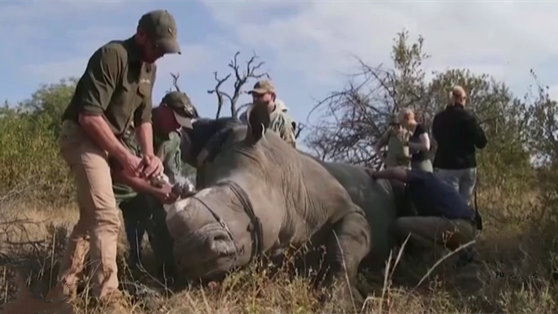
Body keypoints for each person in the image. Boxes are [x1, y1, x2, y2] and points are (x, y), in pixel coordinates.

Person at [51, 9, 182, 310]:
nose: (161, 54)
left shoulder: (149, 68)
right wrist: (125, 155)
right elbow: (88, 116)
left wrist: (149, 155)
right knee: (107, 216)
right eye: (157, 47)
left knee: (89, 220)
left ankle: (62, 292)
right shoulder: (112, 56)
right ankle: (108, 298)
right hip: (82, 137)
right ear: (141, 36)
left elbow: (144, 118)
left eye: (166, 50)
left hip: (106, 143)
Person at [117, 91, 198, 281]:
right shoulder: (133, 125)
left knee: (164, 223)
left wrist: (179, 188)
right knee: (127, 225)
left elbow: (171, 173)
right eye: (176, 119)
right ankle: (131, 271)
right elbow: (119, 172)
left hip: (149, 194)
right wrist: (156, 191)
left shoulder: (174, 138)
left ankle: (165, 271)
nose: (178, 125)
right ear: (163, 110)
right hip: (121, 191)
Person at [366, 167, 481, 261]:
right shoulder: (428, 187)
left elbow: (394, 172)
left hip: (457, 225)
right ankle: (462, 254)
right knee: (422, 229)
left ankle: (445, 256)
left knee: (400, 225)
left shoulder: (420, 177)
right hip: (470, 227)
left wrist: (375, 174)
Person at [432, 86, 488, 205]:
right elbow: (481, 142)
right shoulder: (469, 117)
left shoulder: (439, 118)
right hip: (468, 166)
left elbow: (436, 137)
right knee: (465, 205)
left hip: (446, 165)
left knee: (449, 205)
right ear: (462, 99)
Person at [246, 80, 297, 148]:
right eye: (254, 95)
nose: (255, 98)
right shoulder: (245, 118)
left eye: (260, 95)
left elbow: (290, 151)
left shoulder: (283, 121)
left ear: (272, 96)